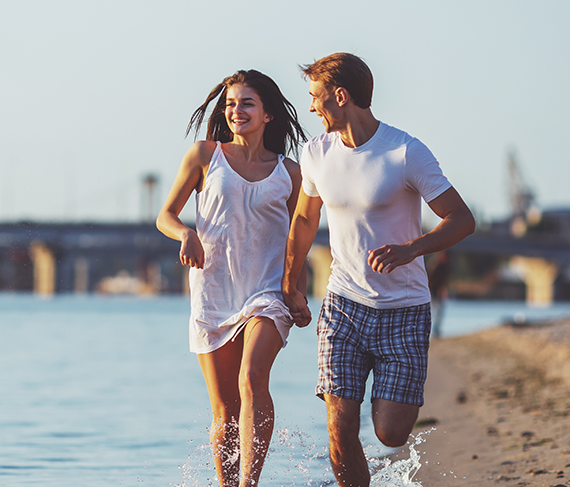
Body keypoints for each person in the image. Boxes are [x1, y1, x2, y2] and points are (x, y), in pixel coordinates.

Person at [281, 53, 476, 487]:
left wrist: (413, 249)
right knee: (339, 426)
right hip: (343, 307)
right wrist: (290, 283)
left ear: (341, 96)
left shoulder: (406, 152)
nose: (311, 108)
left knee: (391, 433)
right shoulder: (315, 153)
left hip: (404, 310)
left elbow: (462, 219)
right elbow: (303, 221)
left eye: (315, 97)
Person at [157, 69, 308, 487]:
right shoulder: (205, 156)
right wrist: (186, 232)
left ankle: (248, 484)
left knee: (251, 378)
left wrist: (296, 290)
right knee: (224, 411)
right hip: (213, 292)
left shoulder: (290, 173)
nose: (235, 111)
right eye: (230, 104)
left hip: (266, 293)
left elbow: (300, 237)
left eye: (246, 103)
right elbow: (164, 215)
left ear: (268, 115)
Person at [427, 251, 451, 338]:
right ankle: (435, 330)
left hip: (436, 291)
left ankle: (436, 330)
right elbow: (432, 280)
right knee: (436, 310)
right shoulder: (437, 266)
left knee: (438, 310)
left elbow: (442, 281)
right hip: (433, 291)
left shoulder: (443, 266)